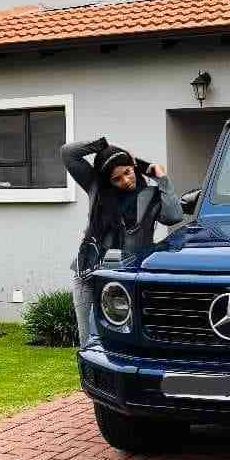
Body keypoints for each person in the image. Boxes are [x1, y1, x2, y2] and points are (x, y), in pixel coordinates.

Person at [61, 137, 183, 347]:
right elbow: (68, 153)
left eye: (128, 172)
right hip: (88, 276)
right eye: (117, 179)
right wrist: (103, 146)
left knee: (125, 342)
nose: (126, 181)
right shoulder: (97, 189)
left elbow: (173, 216)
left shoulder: (151, 196)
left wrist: (158, 176)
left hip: (127, 280)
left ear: (133, 167)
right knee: (89, 343)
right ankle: (90, 381)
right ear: (108, 181)